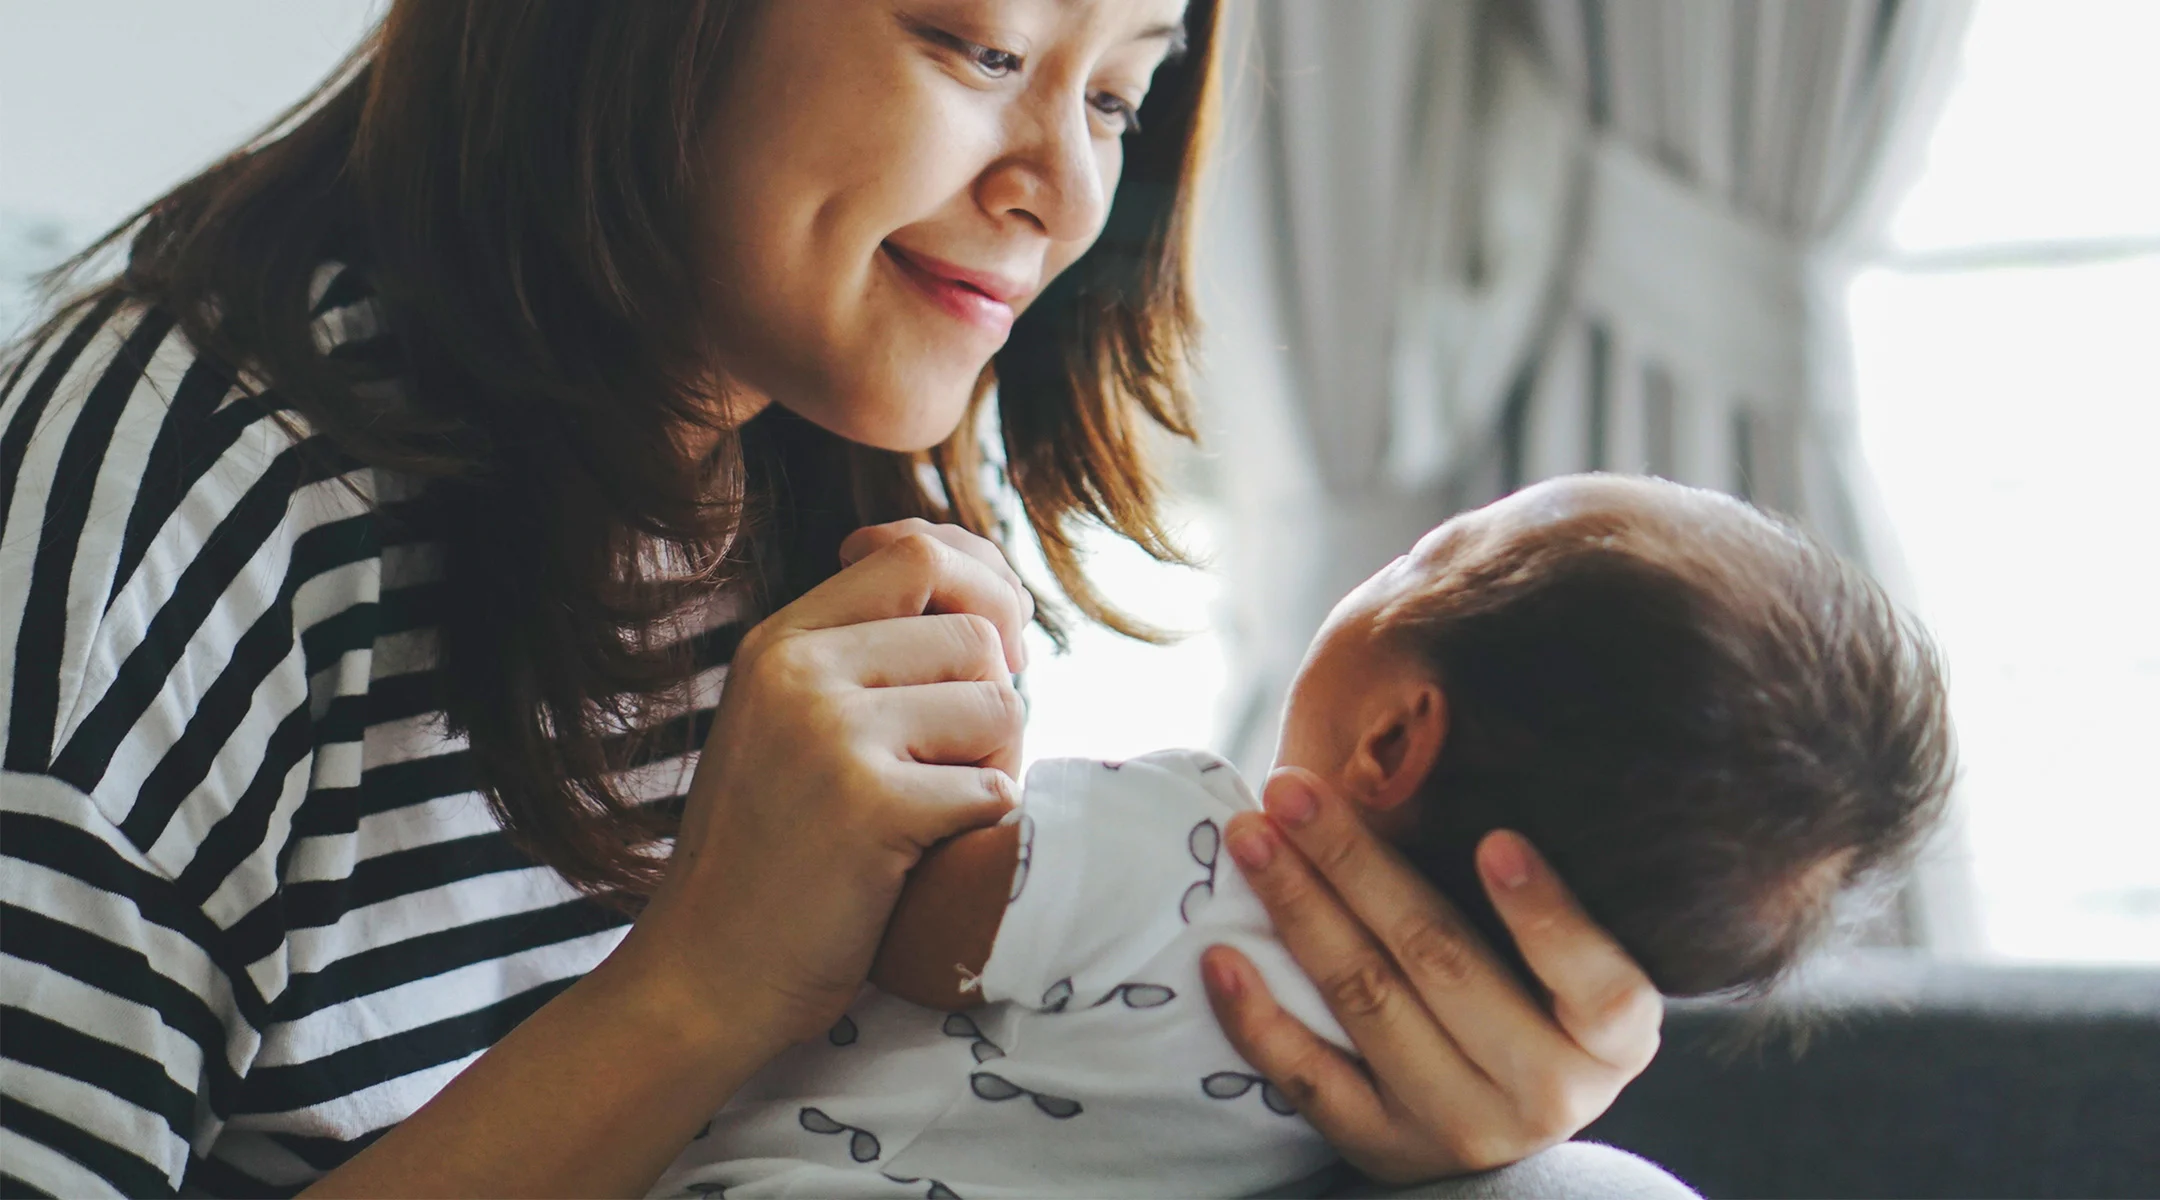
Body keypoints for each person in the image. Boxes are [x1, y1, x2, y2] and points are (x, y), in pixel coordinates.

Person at [0, 3, 1673, 1196]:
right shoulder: (169, 501)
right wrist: (711, 980)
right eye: (984, 51)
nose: (1065, 196)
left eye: (1117, 97)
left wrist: (1370, 1080)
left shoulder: (843, 424)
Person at [648, 473, 1955, 1198]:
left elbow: (903, 926)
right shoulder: (1417, 1061)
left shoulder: (1183, 844)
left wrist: (961, 721)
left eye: (1433, 550)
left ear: (1394, 740)